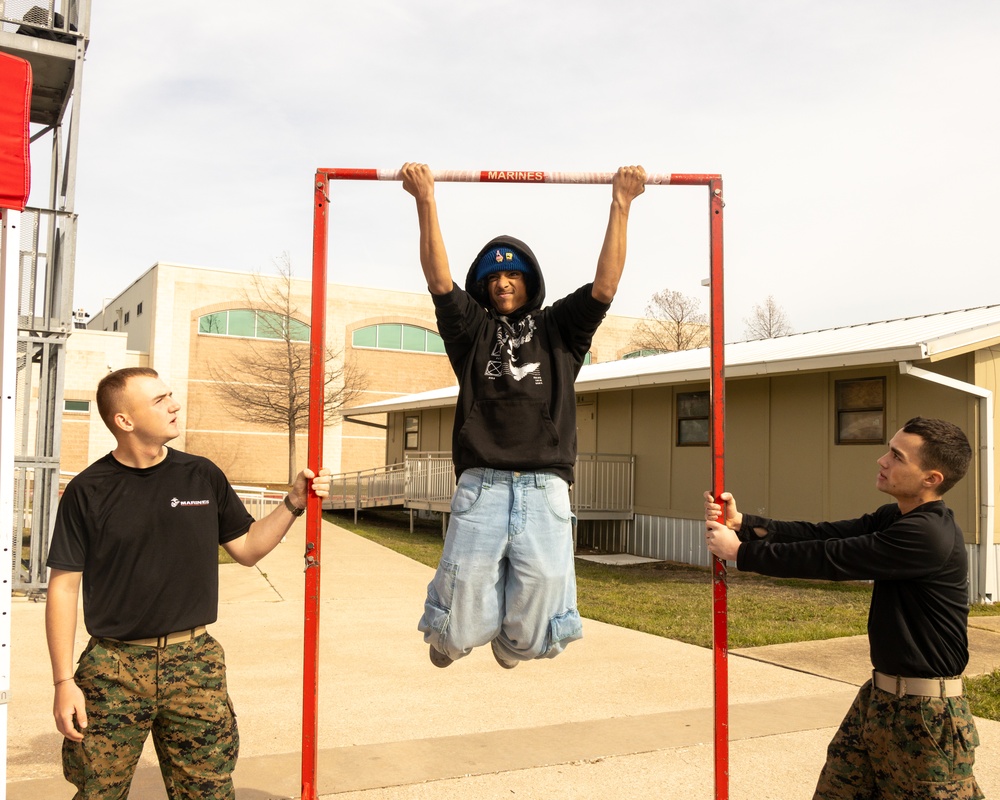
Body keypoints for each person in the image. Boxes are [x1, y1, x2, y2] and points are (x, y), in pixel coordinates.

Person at [400, 161, 647, 669]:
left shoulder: (561, 328)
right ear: (484, 286)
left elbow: (605, 286)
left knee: (537, 638)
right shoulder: (471, 333)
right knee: (456, 627)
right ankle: (457, 635)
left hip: (544, 488)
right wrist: (425, 199)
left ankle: (507, 644)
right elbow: (440, 281)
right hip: (482, 486)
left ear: (529, 280)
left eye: (512, 274)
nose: (503, 283)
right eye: (493, 277)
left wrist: (621, 202)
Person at [45, 367, 331, 800]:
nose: (175, 405)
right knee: (97, 792)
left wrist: (293, 502)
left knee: (209, 793)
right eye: (160, 400)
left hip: (195, 664)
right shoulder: (87, 491)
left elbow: (249, 548)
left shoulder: (202, 475)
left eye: (171, 395)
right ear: (124, 421)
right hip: (114, 667)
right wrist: (64, 682)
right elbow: (63, 589)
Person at [704, 416, 983, 799]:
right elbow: (827, 533)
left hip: (927, 715)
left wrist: (741, 552)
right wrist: (746, 524)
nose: (882, 460)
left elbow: (831, 558)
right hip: (880, 698)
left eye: (897, 456)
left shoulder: (927, 535)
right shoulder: (896, 517)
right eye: (888, 449)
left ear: (931, 478)